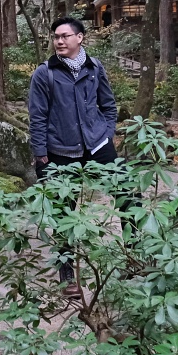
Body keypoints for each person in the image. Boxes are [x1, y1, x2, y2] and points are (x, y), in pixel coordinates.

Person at [27, 16, 119, 298]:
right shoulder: (45, 74)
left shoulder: (95, 67)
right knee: (64, 214)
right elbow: (37, 116)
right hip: (59, 151)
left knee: (127, 193)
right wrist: (40, 154)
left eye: (65, 36)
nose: (59, 41)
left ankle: (136, 255)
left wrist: (107, 132)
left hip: (97, 145)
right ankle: (68, 276)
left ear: (80, 38)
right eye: (56, 37)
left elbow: (108, 104)